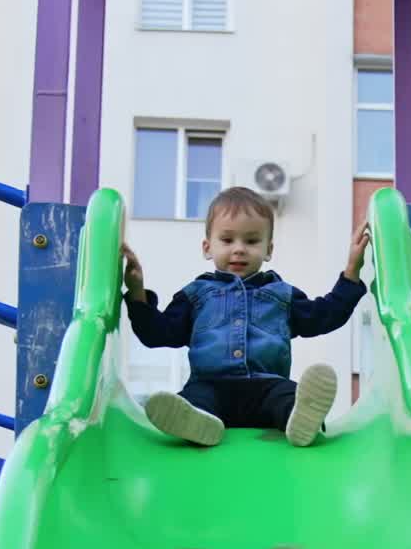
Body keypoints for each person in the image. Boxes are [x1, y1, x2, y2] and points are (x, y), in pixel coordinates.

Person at [121, 187, 369, 447]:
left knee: (288, 395)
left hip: (266, 388)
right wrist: (137, 293)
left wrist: (352, 272)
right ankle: (196, 423)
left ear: (268, 249)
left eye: (251, 241)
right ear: (207, 247)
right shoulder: (195, 295)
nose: (239, 249)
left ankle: (301, 420)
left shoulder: (282, 295)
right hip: (210, 386)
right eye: (227, 240)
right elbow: (157, 333)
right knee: (194, 398)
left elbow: (324, 316)